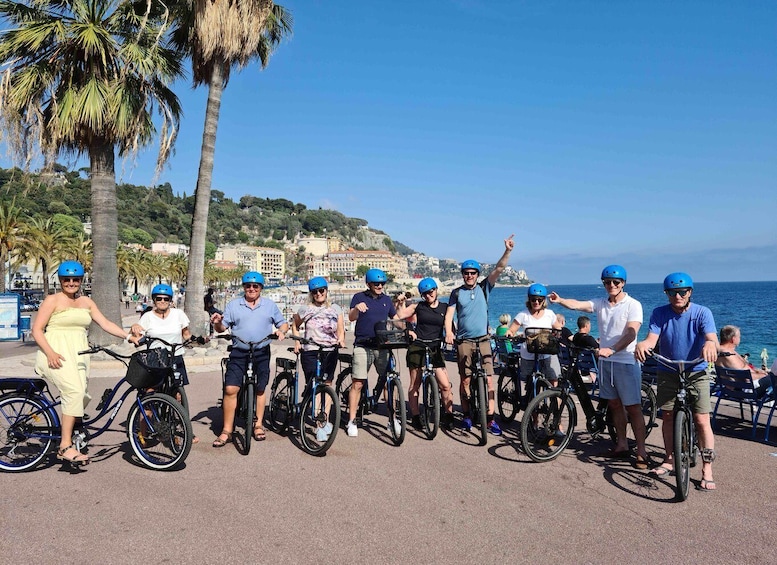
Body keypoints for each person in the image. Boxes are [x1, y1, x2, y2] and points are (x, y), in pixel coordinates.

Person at [32, 260, 131, 465]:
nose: (71, 283)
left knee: (82, 395)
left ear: (80, 280)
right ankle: (65, 446)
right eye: (66, 279)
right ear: (60, 280)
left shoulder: (86, 302)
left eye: (75, 279)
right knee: (74, 393)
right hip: (56, 353)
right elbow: (37, 330)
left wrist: (128, 336)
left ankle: (75, 432)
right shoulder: (52, 300)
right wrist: (50, 353)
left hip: (79, 355)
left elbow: (105, 323)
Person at [549, 265, 648, 468]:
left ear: (623, 284)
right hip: (605, 362)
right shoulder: (601, 303)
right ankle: (621, 445)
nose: (611, 285)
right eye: (607, 282)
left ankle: (642, 451)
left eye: (615, 282)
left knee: (633, 408)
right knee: (614, 405)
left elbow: (631, 333)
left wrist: (611, 349)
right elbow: (578, 304)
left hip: (626, 361)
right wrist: (560, 301)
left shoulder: (633, 305)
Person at [634, 272, 718, 491]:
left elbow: (712, 338)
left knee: (701, 419)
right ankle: (669, 459)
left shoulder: (702, 313)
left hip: (696, 370)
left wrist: (710, 345)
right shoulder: (659, 313)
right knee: (669, 416)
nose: (678, 296)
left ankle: (707, 468)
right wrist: (643, 344)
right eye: (672, 292)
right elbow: (652, 338)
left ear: (689, 292)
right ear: (667, 293)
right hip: (668, 369)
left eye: (682, 292)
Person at [444, 234, 515, 436]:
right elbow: (449, 315)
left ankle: (490, 419)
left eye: (473, 273)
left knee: (489, 380)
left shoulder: (485, 287)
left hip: (484, 340)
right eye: (466, 273)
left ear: (477, 274)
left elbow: (499, 269)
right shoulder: (456, 293)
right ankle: (466, 415)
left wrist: (508, 250)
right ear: (462, 275)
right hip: (464, 341)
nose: (469, 276)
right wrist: (449, 332)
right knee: (465, 380)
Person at [210, 271, 288, 447]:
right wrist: (216, 322)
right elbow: (222, 327)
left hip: (261, 351)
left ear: (261, 288)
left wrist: (281, 331)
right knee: (230, 389)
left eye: (255, 286)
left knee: (260, 389)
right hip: (239, 351)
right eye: (248, 286)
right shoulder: (234, 305)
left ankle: (258, 425)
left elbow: (283, 323)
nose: (251, 289)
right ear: (243, 287)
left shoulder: (269, 306)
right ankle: (227, 431)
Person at [130, 283, 200, 443]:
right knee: (148, 394)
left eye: (166, 298)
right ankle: (143, 432)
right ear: (154, 300)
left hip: (176, 357)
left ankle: (182, 430)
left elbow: (186, 334)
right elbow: (136, 333)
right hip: (155, 359)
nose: (162, 301)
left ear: (170, 300)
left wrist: (197, 340)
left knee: (178, 396)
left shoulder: (178, 314)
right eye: (159, 298)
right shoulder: (147, 316)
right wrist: (134, 329)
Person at [395, 278, 455, 431]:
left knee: (445, 385)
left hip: (435, 347)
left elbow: (450, 327)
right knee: (415, 384)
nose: (429, 295)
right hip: (418, 345)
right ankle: (415, 417)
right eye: (425, 294)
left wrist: (450, 335)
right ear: (422, 295)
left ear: (436, 290)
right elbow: (398, 317)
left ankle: (449, 416)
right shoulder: (418, 306)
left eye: (431, 292)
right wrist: (407, 330)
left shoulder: (444, 307)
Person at [291, 277, 345, 441]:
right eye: (315, 292)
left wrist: (341, 340)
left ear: (326, 291)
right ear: (311, 294)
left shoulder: (336, 309)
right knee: (314, 384)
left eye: (321, 290)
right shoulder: (305, 309)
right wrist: (297, 341)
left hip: (330, 350)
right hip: (311, 350)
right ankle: (317, 424)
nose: (319, 294)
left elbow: (341, 329)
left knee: (327, 384)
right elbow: (295, 325)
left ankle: (325, 419)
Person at [346, 268, 398, 437]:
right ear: (368, 284)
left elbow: (395, 319)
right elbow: (351, 317)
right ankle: (352, 420)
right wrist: (357, 309)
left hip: (382, 346)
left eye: (382, 283)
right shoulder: (359, 297)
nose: (380, 286)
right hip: (363, 345)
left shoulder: (386, 300)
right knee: (358, 383)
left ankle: (393, 419)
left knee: (388, 383)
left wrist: (409, 329)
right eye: (376, 283)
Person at [505, 283, 562, 388]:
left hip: (547, 353)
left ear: (544, 300)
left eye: (539, 300)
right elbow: (512, 329)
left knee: (554, 379)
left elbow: (558, 328)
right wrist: (510, 333)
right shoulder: (523, 315)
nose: (536, 302)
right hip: (529, 353)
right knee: (530, 383)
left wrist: (558, 336)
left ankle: (555, 404)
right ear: (529, 300)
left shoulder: (550, 314)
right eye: (533, 299)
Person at [716, 325, 771, 392]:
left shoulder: (721, 351)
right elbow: (746, 377)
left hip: (738, 387)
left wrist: (757, 371)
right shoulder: (728, 355)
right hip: (748, 390)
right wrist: (764, 375)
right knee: (773, 378)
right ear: (733, 339)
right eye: (739, 337)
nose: (740, 339)